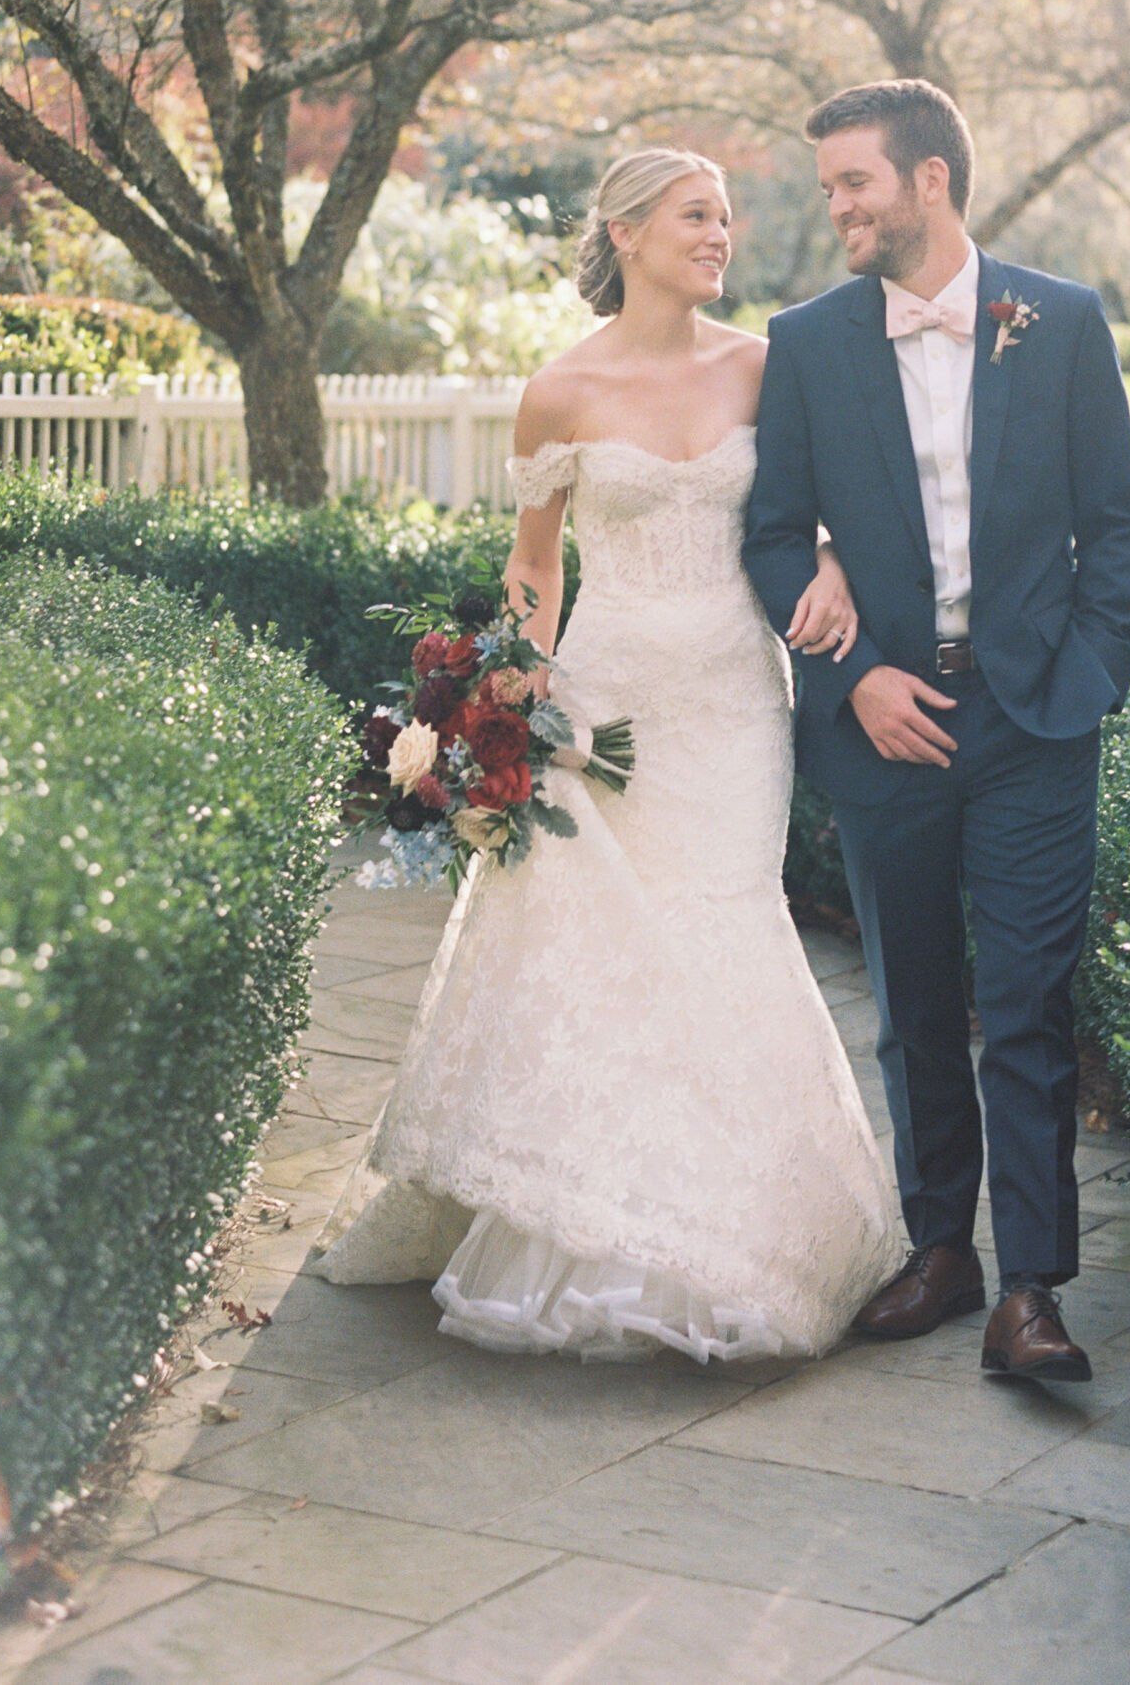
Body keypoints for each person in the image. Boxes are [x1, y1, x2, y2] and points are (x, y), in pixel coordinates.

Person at [315, 146, 899, 1359]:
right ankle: (603, 1226)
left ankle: (747, 1226)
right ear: (626, 231)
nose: (719, 235)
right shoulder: (561, 390)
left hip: (736, 698)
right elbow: (534, 563)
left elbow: (815, 511)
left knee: (728, 914)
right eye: (696, 214)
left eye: (726, 218)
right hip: (610, 698)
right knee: (608, 945)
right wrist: (517, 688)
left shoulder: (766, 367)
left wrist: (838, 561)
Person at [743, 80, 1130, 1384]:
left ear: (930, 179)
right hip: (883, 724)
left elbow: (1119, 523)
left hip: (1035, 721)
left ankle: (1030, 1287)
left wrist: (1091, 672)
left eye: (853, 181)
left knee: (1026, 1002)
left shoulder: (1062, 321)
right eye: (829, 188)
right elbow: (769, 531)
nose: (839, 207)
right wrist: (854, 670)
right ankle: (940, 1248)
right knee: (915, 1002)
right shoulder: (807, 341)